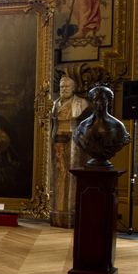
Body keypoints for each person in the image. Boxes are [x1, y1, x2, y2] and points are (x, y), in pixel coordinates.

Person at [50, 76, 90, 225]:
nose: (64, 89)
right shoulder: (53, 104)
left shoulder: (81, 103)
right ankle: (56, 213)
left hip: (73, 143)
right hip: (56, 142)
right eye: (61, 87)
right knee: (57, 175)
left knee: (70, 176)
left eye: (67, 87)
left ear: (74, 88)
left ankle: (69, 214)